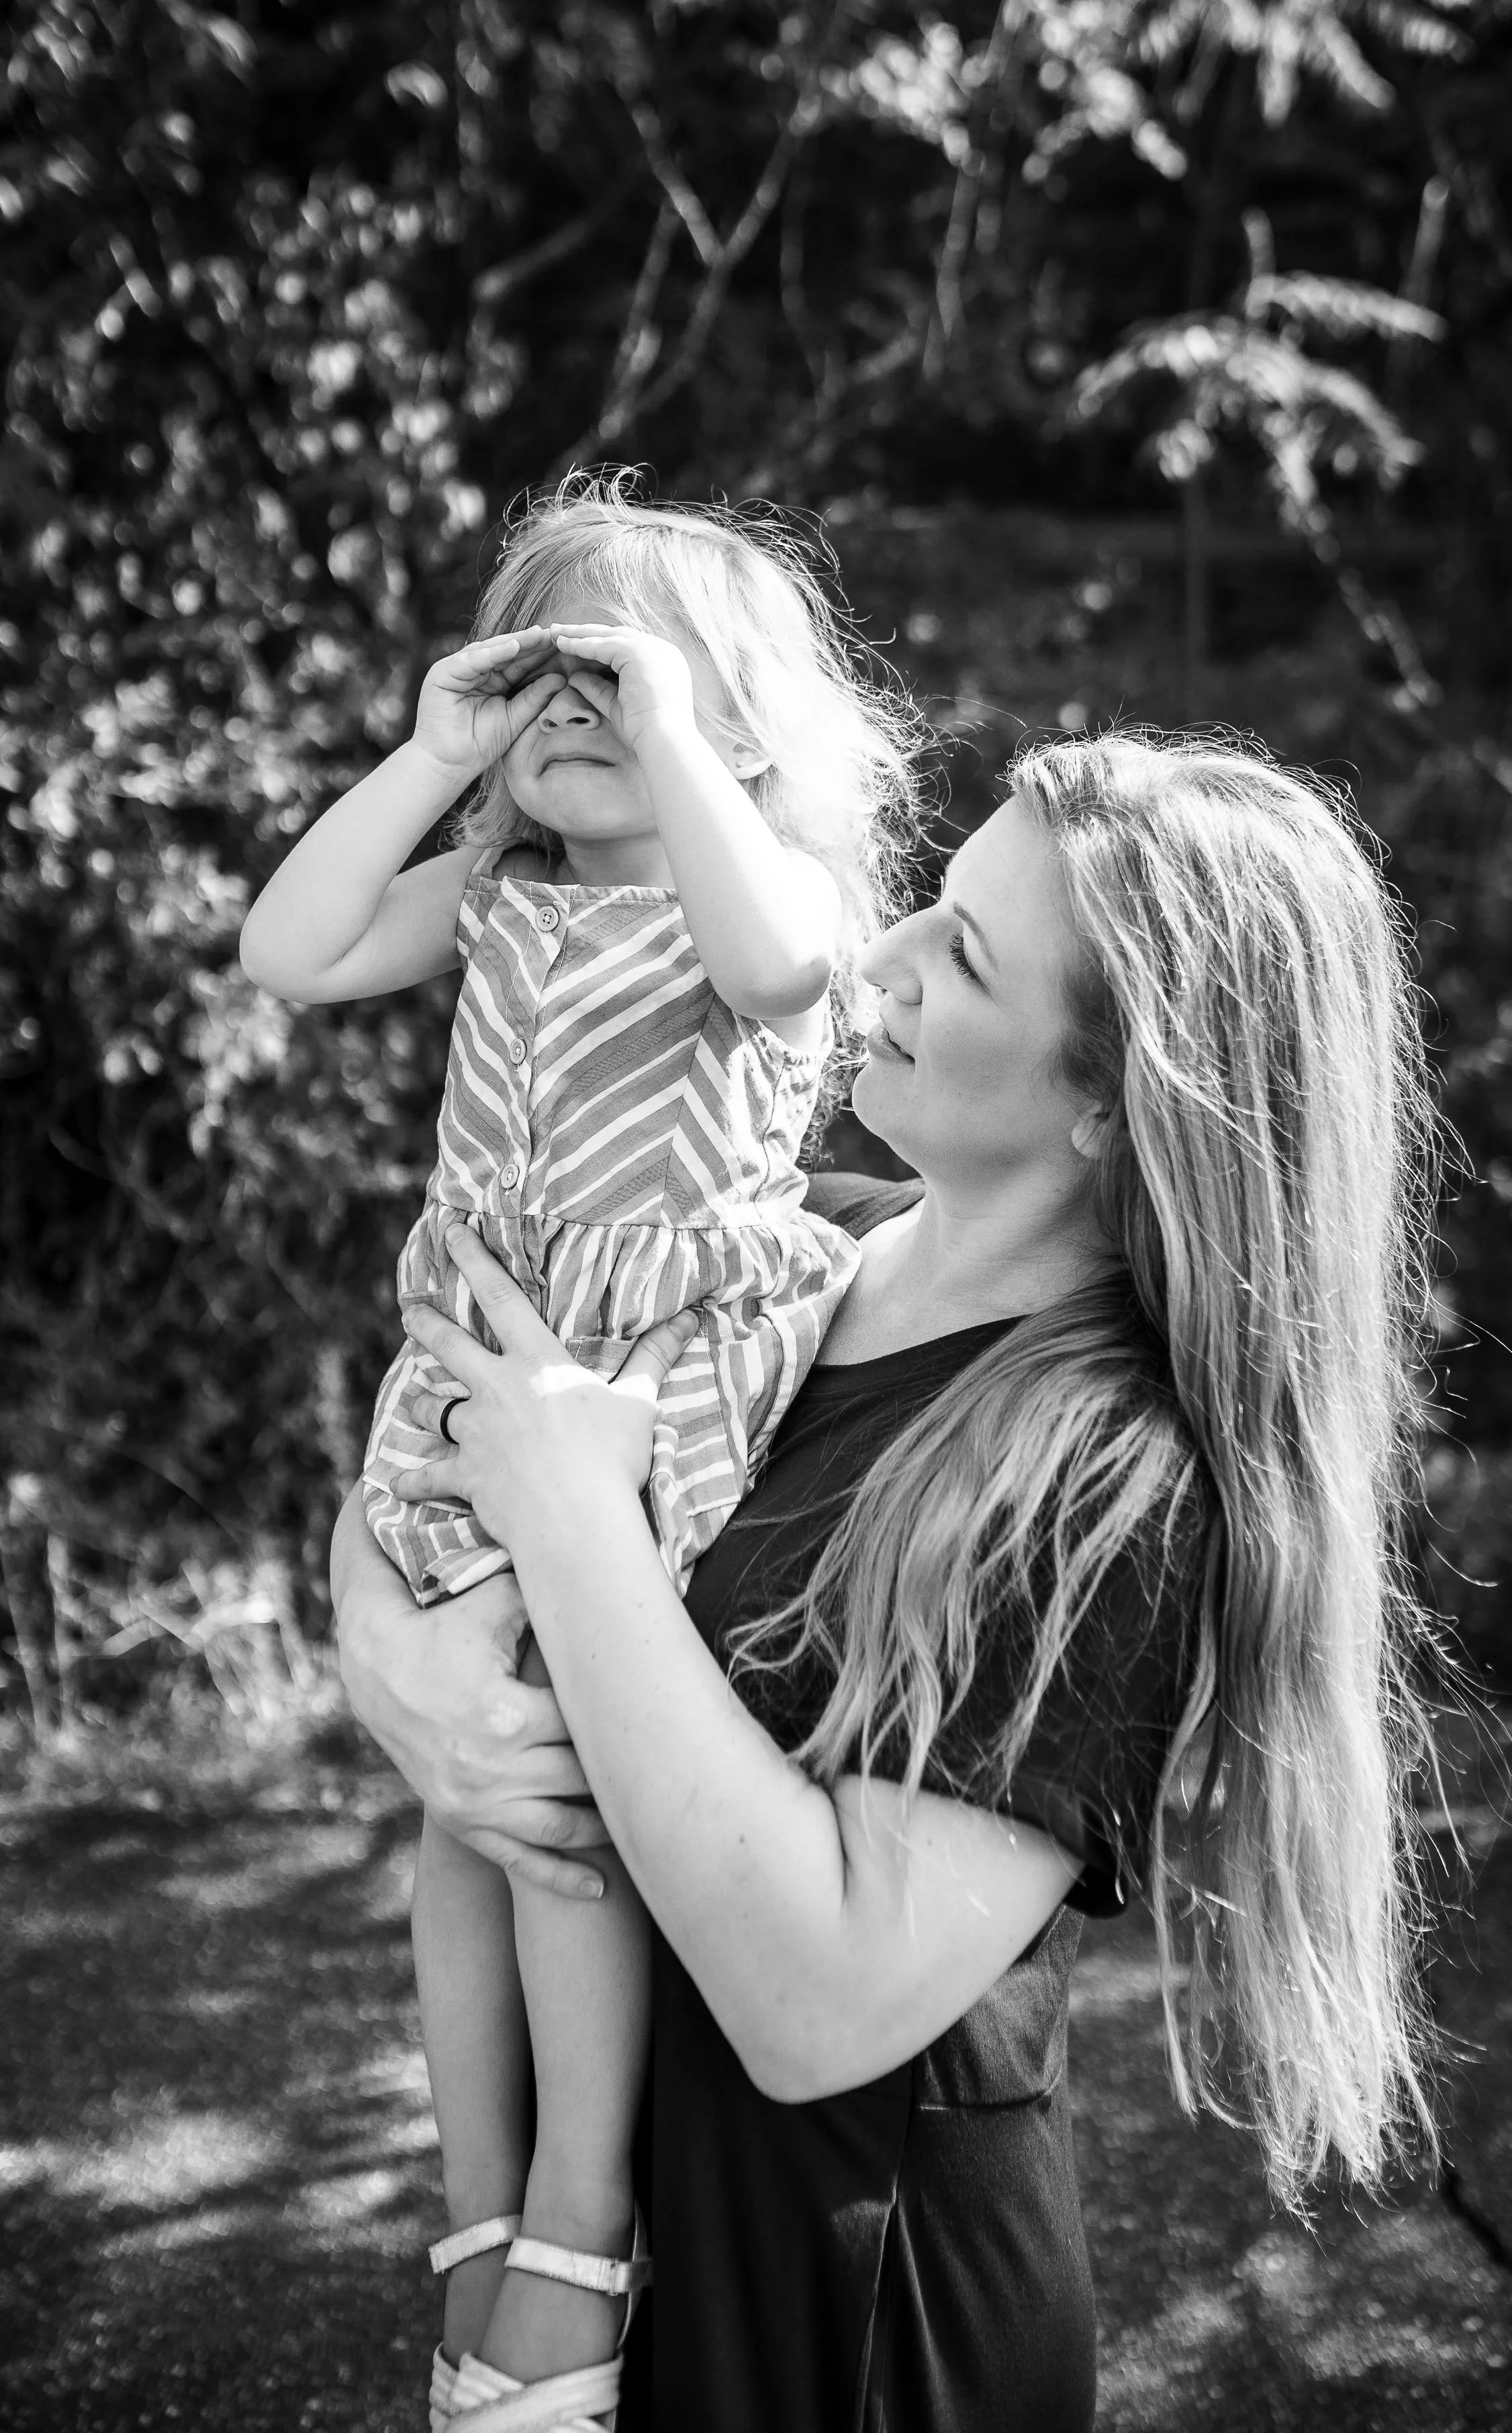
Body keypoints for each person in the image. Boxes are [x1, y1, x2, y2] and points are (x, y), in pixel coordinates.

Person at [332, 729, 1443, 2433]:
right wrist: (388, 1658)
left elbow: (818, 2002)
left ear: (1111, 1100)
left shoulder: (1102, 1475)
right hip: (574, 2274)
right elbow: (438, 1438)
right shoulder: (775, 1244)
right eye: (928, 900)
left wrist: (574, 1528)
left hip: (849, 2329)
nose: (881, 955)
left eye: (964, 955)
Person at [241, 479, 916, 2428]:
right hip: (482, 1346)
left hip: (647, 1374)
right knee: (466, 1815)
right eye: (541, 671)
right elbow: (291, 949)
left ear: (741, 731)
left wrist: (675, 741)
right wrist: (429, 755)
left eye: (628, 675)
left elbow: (781, 975)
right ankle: (479, 2204)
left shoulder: (758, 899)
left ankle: (575, 2218)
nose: (577, 705)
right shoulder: (494, 893)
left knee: (562, 1797)